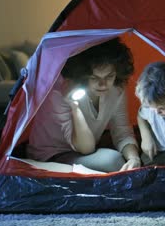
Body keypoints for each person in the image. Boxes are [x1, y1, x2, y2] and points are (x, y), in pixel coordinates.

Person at [26, 37, 141, 172]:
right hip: (52, 154)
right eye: (94, 78)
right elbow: (86, 148)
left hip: (86, 150)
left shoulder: (116, 89)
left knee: (131, 158)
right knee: (113, 161)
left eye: (109, 76)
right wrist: (75, 107)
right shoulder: (61, 91)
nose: (103, 84)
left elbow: (122, 131)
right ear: (82, 76)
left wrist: (134, 158)